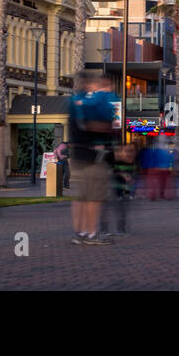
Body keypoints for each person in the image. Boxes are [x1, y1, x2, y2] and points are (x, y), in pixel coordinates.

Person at [69, 71, 118, 245]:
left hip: (78, 157)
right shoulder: (92, 103)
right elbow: (98, 126)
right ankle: (91, 233)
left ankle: (80, 232)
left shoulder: (75, 102)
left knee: (82, 197)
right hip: (93, 158)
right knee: (93, 198)